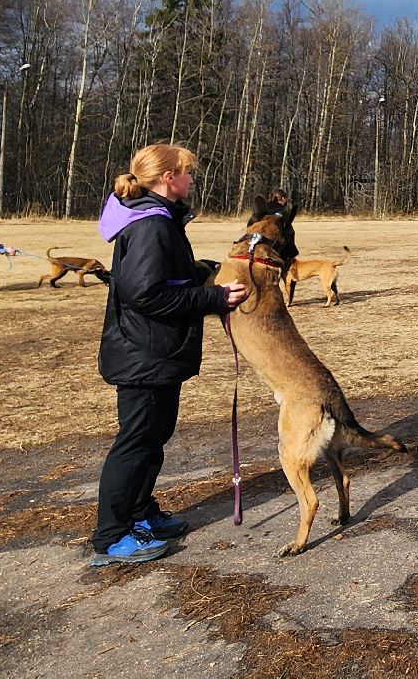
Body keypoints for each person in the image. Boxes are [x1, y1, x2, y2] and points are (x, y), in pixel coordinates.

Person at [89, 143, 249, 567]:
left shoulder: (159, 219)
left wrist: (198, 273)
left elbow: (160, 278)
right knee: (136, 442)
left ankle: (140, 513)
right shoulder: (151, 225)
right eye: (188, 172)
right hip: (144, 353)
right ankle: (112, 536)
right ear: (167, 178)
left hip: (156, 351)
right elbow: (147, 294)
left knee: (153, 438)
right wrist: (213, 296)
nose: (192, 179)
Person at [265, 187, 299, 261]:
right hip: (276, 252)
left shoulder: (263, 210)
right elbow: (288, 233)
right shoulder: (282, 212)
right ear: (283, 198)